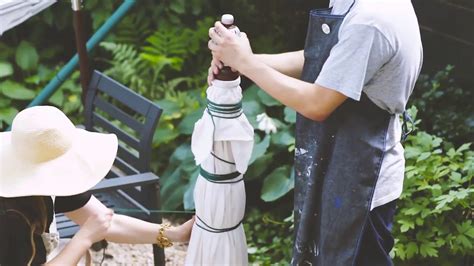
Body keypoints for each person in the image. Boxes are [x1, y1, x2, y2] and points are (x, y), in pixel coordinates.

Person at [208, 0, 423, 265]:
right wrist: (243, 61)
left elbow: (317, 103)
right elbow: (332, 59)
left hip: (361, 181)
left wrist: (248, 64)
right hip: (335, 164)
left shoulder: (372, 20)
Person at [0, 106, 194, 265]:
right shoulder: (9, 216)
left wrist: (174, 234)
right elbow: (91, 228)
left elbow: (108, 222)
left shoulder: (48, 177)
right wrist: (84, 238)